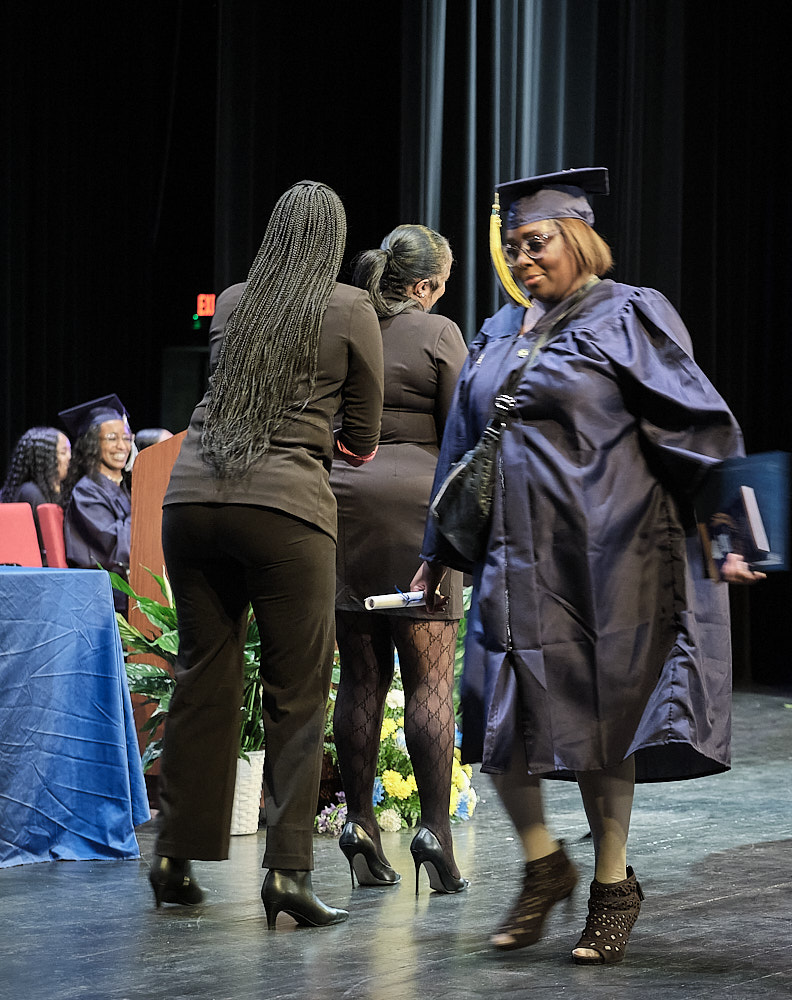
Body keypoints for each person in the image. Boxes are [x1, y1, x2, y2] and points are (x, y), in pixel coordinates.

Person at [412, 168, 762, 965]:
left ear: (577, 238)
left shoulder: (627, 314)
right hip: (514, 562)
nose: (522, 259)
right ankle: (545, 866)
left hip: (608, 558)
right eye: (512, 247)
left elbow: (701, 425)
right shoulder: (498, 331)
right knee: (497, 724)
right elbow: (462, 449)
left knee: (604, 726)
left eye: (536, 243)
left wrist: (735, 531)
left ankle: (612, 886)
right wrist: (435, 553)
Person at [149, 181, 382, 929]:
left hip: (191, 500)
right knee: (296, 690)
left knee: (202, 677)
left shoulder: (234, 301)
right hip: (284, 511)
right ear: (333, 242)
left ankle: (173, 857)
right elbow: (363, 440)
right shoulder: (352, 308)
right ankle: (286, 870)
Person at [329, 224, 469, 894]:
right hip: (416, 515)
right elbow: (465, 434)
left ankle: (359, 822)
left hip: (341, 507)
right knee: (428, 681)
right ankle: (435, 831)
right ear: (423, 286)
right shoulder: (438, 333)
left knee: (360, 679)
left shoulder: (342, 325)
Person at [60, 395, 134, 603]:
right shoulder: (86, 492)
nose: (122, 446)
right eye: (112, 438)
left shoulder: (127, 487)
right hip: (105, 593)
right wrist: (144, 512)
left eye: (126, 438)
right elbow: (115, 547)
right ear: (93, 443)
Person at [0, 426, 70, 511]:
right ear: (45, 459)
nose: (69, 457)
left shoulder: (60, 491)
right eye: (63, 452)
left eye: (69, 451)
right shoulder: (31, 493)